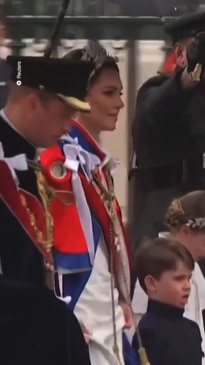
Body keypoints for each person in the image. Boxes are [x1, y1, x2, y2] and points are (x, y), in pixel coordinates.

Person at [40, 41, 137, 365]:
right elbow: (51, 249)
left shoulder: (92, 162)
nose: (120, 103)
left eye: (120, 93)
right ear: (79, 95)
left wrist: (121, 297)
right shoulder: (59, 159)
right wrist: (60, 311)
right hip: (80, 306)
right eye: (109, 93)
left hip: (104, 309)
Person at [0, 55, 94, 364]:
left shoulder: (27, 161)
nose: (69, 128)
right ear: (32, 103)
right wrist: (47, 313)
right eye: (64, 114)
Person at [130, 9, 205, 271]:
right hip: (168, 240)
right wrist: (192, 72)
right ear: (180, 53)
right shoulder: (157, 93)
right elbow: (155, 112)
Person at [132, 190, 205, 364]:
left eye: (186, 279)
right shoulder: (155, 264)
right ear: (186, 230)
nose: (186, 285)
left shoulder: (197, 272)